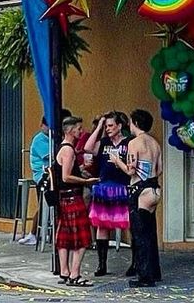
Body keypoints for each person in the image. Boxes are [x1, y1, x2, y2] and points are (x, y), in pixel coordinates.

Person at [84, 112, 133, 276]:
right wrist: (99, 126)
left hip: (123, 186)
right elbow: (88, 148)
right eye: (107, 126)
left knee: (129, 225)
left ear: (119, 126)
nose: (108, 129)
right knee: (102, 226)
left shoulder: (128, 142)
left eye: (111, 125)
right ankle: (102, 264)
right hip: (104, 187)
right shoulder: (104, 142)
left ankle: (135, 262)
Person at [54, 116, 98, 287]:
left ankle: (65, 271)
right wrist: (86, 182)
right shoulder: (68, 150)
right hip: (72, 197)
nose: (81, 131)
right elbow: (66, 176)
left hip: (65, 198)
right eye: (79, 129)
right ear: (71, 131)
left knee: (64, 236)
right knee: (82, 237)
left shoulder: (64, 148)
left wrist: (80, 173)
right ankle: (75, 274)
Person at [126, 109, 162, 288]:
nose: (129, 125)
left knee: (140, 235)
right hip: (154, 189)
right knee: (151, 233)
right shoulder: (155, 143)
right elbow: (160, 168)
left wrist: (118, 162)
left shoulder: (134, 143)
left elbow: (131, 170)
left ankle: (145, 276)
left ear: (136, 123)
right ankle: (154, 271)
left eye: (131, 122)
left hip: (140, 189)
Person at [19, 117, 51, 246]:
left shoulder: (51, 138)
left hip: (51, 174)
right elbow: (51, 155)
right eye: (48, 126)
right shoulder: (39, 140)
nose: (50, 129)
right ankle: (33, 233)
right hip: (42, 176)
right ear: (42, 125)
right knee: (43, 205)